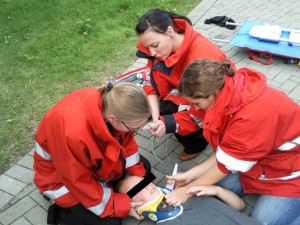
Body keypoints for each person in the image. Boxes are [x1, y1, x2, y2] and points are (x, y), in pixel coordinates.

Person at [165, 59, 300, 225]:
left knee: (260, 221)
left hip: (291, 171)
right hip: (261, 160)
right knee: (211, 188)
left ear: (213, 93)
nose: (196, 109)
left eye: (196, 103)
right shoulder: (227, 95)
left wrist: (187, 191)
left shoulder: (250, 115)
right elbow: (228, 153)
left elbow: (227, 163)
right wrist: (190, 176)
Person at [33, 82, 152, 225]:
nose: (134, 131)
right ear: (113, 119)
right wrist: (120, 205)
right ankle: (62, 214)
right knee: (111, 223)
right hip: (59, 179)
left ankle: (113, 193)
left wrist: (137, 175)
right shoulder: (73, 133)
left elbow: (125, 142)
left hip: (90, 166)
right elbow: (79, 181)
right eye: (134, 128)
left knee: (145, 169)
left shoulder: (113, 103)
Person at [135, 8, 235, 161]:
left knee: (172, 116)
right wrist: (156, 118)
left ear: (169, 32)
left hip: (213, 101)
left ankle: (197, 144)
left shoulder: (203, 56)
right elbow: (152, 82)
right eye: (148, 47)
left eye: (155, 45)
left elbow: (208, 108)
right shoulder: (162, 50)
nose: (152, 52)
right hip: (190, 92)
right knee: (165, 110)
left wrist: (168, 123)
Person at [118, 175, 262, 225]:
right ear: (136, 208)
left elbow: (240, 206)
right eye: (139, 188)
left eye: (144, 181)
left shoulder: (192, 191)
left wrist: (217, 190)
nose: (147, 185)